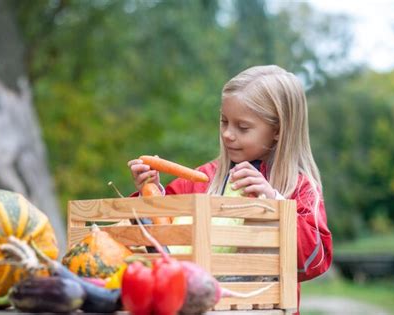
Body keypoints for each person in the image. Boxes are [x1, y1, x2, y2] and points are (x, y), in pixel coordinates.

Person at [127, 65, 332, 314]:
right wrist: (150, 190)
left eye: (242, 127)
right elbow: (163, 237)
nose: (227, 134)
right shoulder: (205, 178)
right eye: (224, 122)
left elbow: (315, 260)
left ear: (278, 130)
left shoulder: (299, 187)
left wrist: (274, 205)